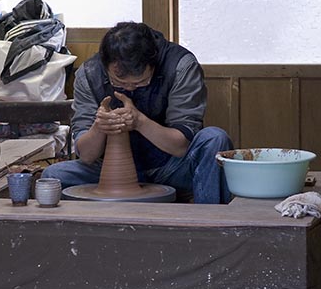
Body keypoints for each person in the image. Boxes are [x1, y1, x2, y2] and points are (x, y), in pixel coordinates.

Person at [42, 21, 233, 203]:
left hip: (171, 167)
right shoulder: (89, 74)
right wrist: (100, 128)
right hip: (110, 170)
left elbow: (181, 145)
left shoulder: (180, 66)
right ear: (106, 63)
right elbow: (86, 155)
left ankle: (209, 227)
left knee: (215, 138)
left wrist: (140, 121)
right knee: (53, 176)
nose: (130, 88)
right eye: (120, 82)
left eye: (140, 82)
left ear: (153, 63)